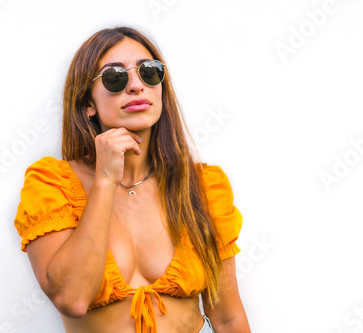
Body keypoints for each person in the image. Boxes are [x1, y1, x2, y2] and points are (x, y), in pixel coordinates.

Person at [14, 26, 250, 333]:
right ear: (88, 103)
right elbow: (72, 298)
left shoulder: (203, 186)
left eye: (149, 72)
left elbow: (227, 318)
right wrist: (105, 181)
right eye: (115, 77)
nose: (137, 86)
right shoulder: (51, 185)